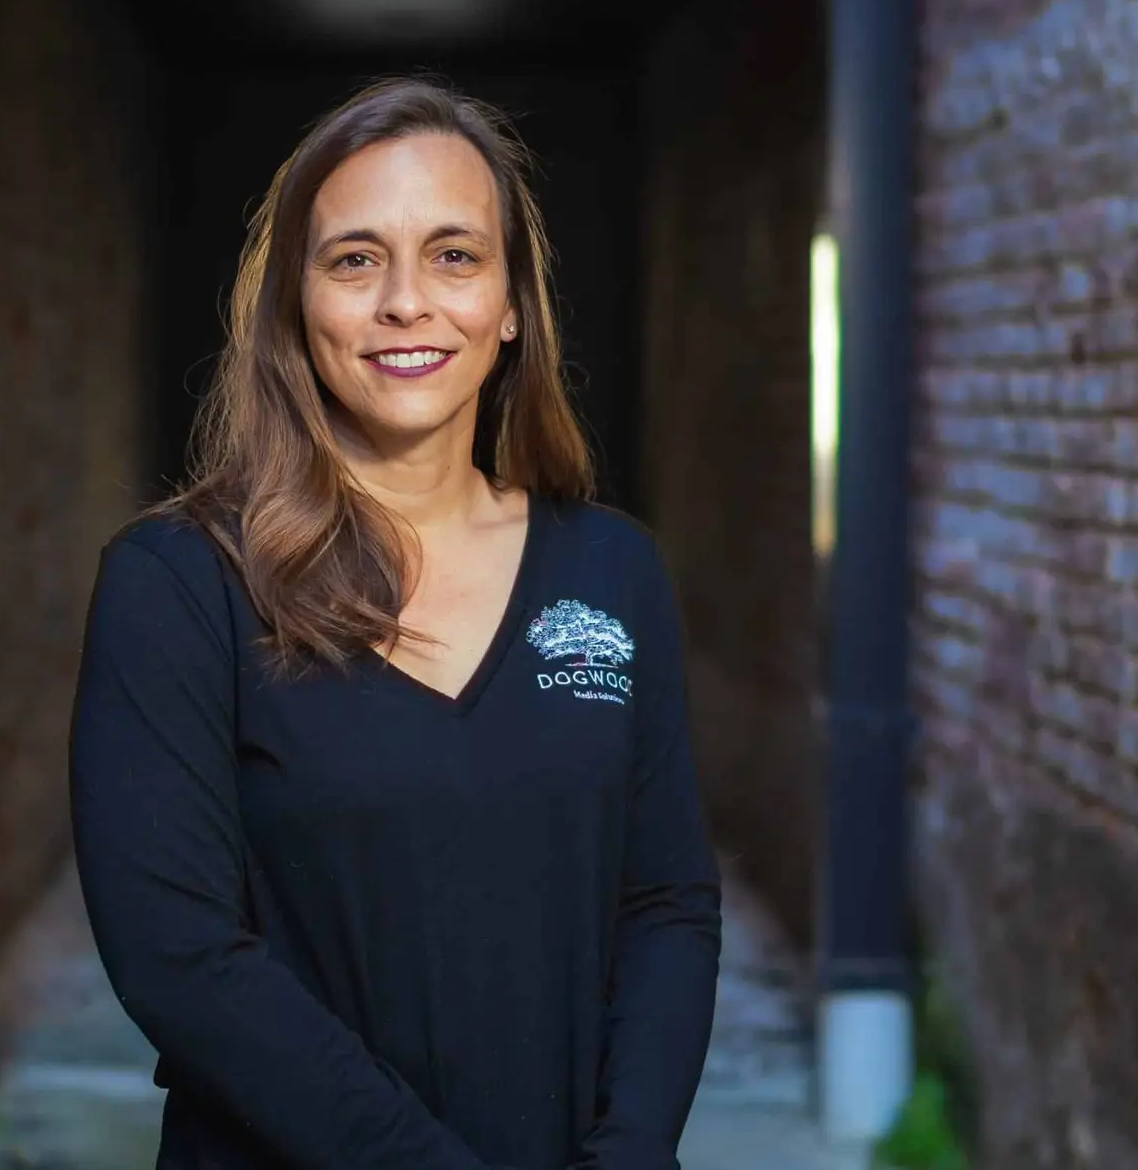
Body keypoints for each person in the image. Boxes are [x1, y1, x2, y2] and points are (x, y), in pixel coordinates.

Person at [68, 75, 721, 1170]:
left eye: (455, 255)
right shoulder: (180, 584)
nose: (406, 301)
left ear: (512, 304)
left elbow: (663, 901)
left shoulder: (613, 570)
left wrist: (632, 1152)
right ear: (294, 304)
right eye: (356, 258)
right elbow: (181, 956)